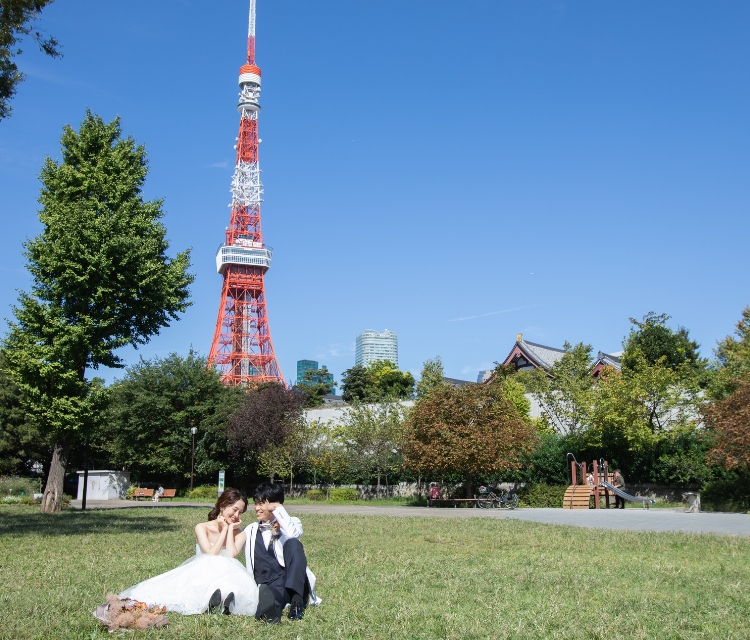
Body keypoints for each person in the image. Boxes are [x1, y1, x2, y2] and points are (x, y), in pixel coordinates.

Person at [119, 488, 259, 615]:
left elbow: (232, 554)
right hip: (202, 571)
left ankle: (224, 603)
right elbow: (211, 554)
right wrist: (224, 530)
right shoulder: (202, 527)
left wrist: (229, 529)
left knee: (236, 587)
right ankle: (214, 602)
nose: (236, 515)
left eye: (240, 512)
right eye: (234, 509)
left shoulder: (240, 534)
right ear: (222, 506)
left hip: (229, 573)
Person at [240, 482, 320, 623]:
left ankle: (297, 601)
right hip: (266, 582)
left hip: (287, 577)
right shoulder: (250, 529)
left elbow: (292, 534)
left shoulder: (291, 522)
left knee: (294, 543)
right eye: (256, 503)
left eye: (261, 503)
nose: (256, 508)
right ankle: (270, 614)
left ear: (274, 505)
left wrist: (278, 509)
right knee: (271, 598)